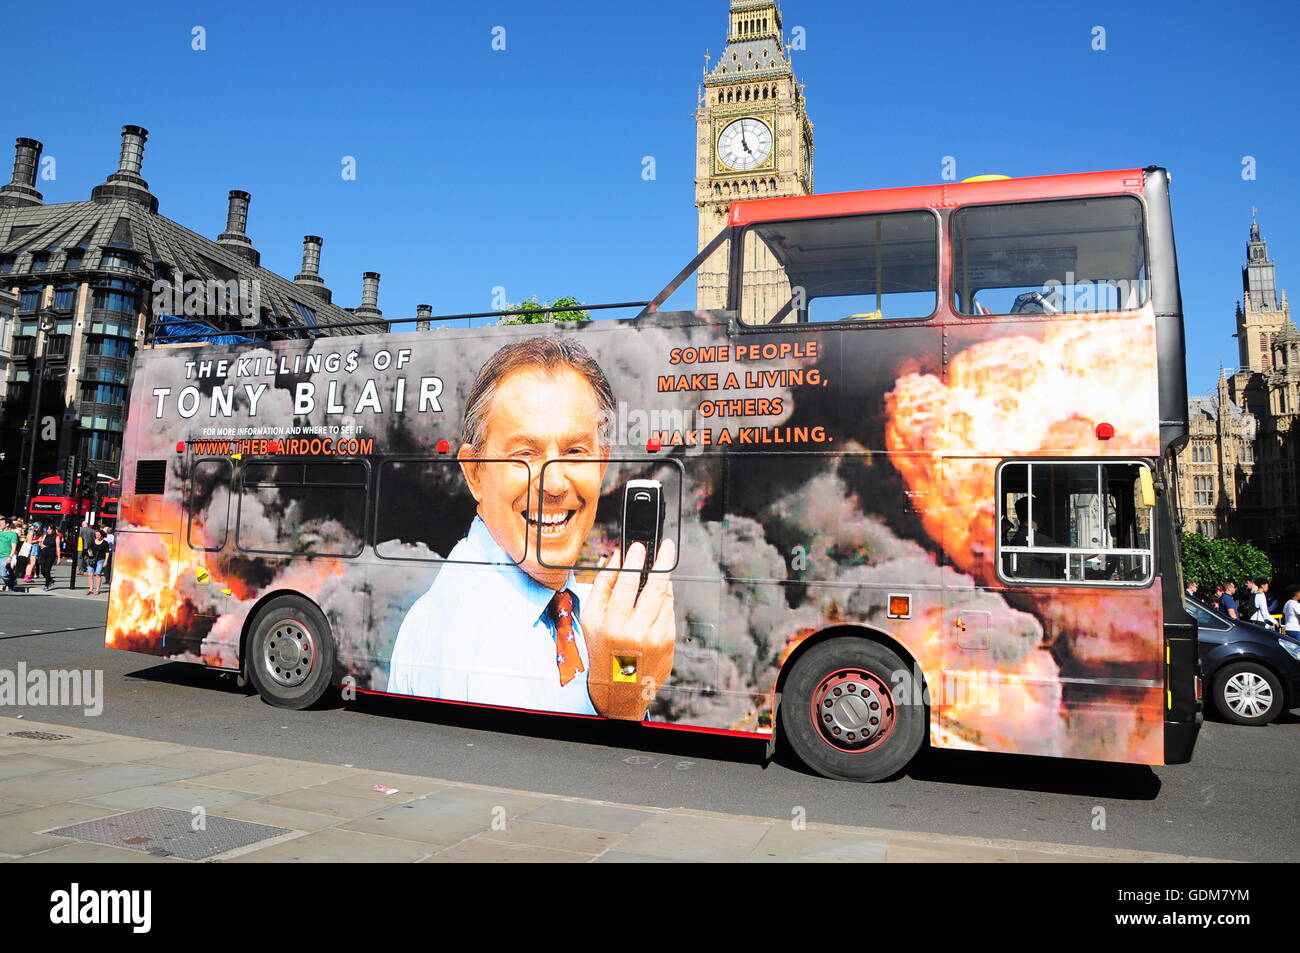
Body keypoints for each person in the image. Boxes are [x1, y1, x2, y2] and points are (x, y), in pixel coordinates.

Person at [388, 337, 676, 719]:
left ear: (602, 466)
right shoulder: (475, 637)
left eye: (575, 452)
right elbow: (547, 777)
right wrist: (625, 690)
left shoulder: (580, 609)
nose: (555, 484)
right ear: (475, 472)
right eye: (524, 453)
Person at [36, 522, 61, 591]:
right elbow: (41, 543)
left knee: (47, 570)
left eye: (50, 529)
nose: (49, 530)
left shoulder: (56, 537)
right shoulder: (45, 535)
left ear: (53, 530)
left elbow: (58, 548)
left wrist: (58, 558)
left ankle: (47, 585)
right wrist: (41, 545)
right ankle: (50, 580)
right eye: (48, 529)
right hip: (43, 554)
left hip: (51, 555)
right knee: (43, 571)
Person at [0, 517, 20, 592]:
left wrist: (10, 557)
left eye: (1, 523)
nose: (0, 524)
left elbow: (13, 547)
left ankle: (11, 583)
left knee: (3, 574)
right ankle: (11, 583)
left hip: (5, 556)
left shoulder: (12, 534)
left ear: (7, 524)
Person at [87, 528, 108, 596]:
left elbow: (107, 553)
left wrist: (106, 561)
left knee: (98, 574)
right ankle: (90, 589)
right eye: (96, 535)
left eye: (98, 535)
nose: (97, 536)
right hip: (92, 559)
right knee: (90, 574)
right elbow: (89, 548)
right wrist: (89, 552)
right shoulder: (93, 541)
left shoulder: (105, 543)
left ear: (102, 535)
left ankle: (97, 590)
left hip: (100, 560)